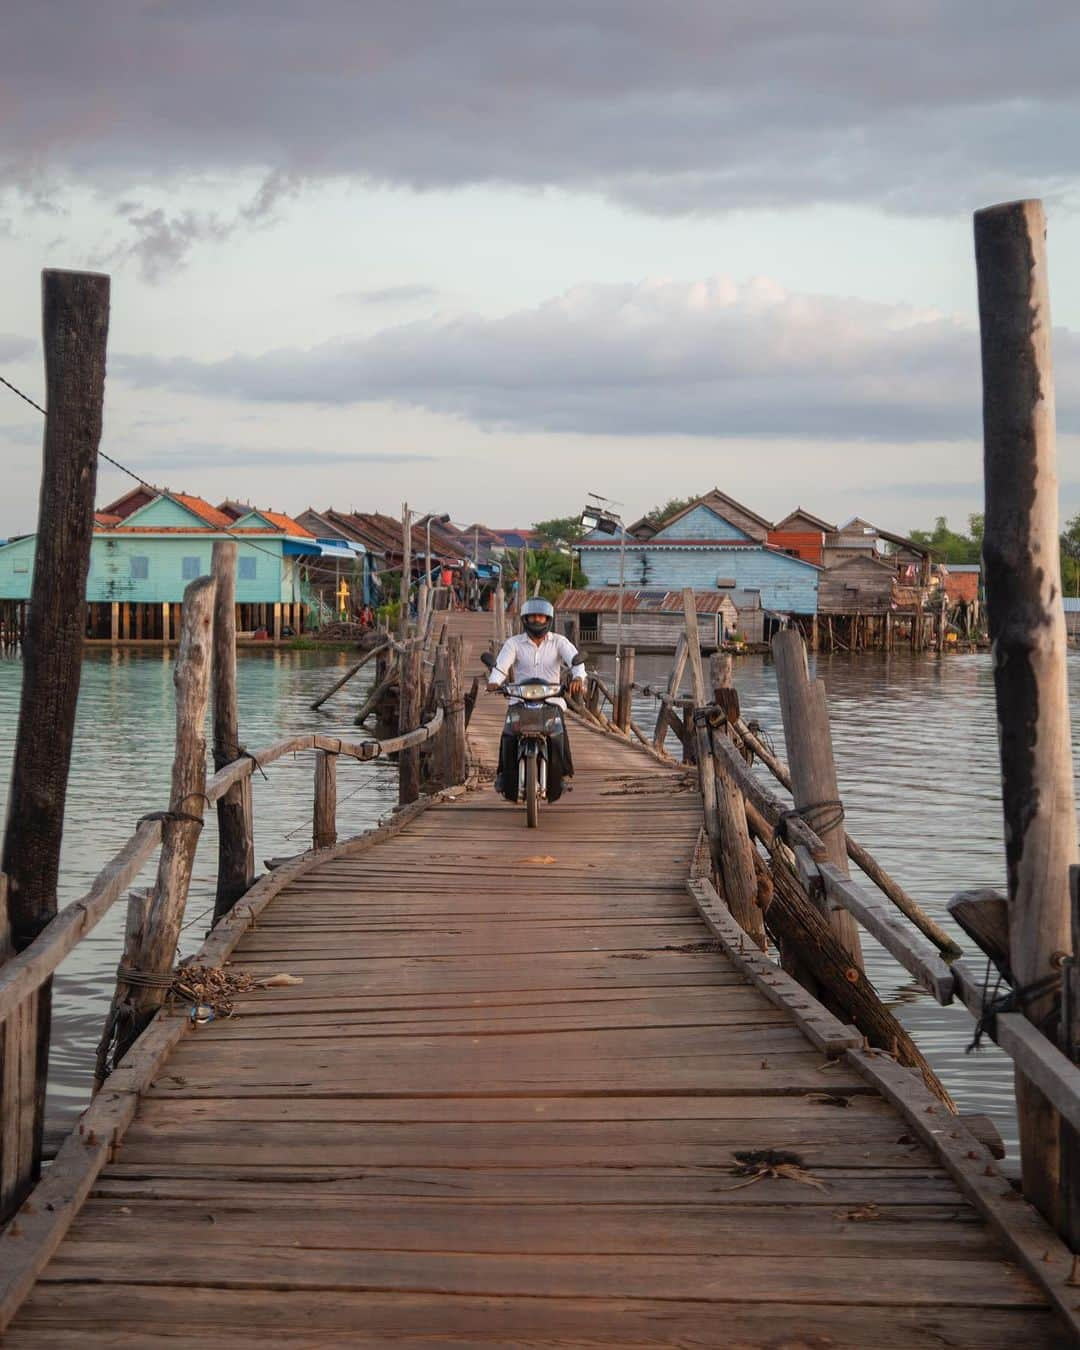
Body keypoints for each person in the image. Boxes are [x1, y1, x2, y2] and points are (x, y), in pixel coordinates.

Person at [486, 597, 586, 794]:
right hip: (520, 699)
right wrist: (494, 681)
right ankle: (503, 774)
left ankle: (563, 773)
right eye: (533, 617)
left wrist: (578, 678)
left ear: (548, 619)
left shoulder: (559, 642)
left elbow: (576, 661)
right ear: (525, 619)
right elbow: (501, 666)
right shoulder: (513, 643)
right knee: (508, 734)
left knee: (559, 733)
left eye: (541, 617)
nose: (537, 620)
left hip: (551, 699)